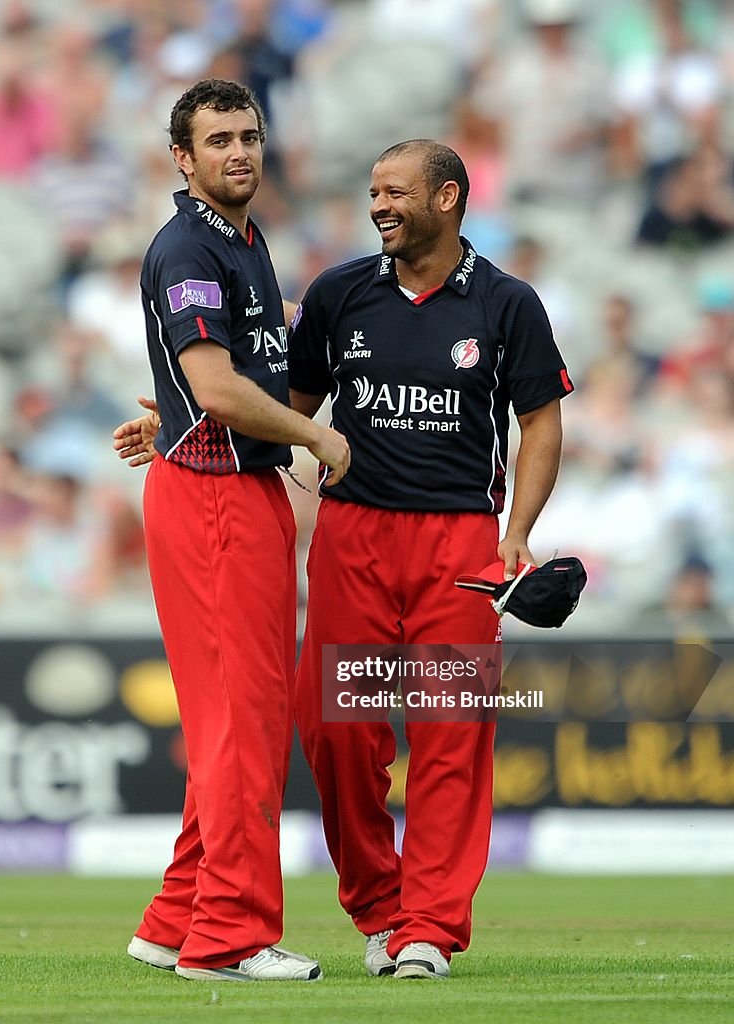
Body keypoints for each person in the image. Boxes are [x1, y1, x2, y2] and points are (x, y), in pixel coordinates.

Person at [117, 137, 572, 979]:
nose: (378, 206)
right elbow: (279, 404)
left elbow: (541, 422)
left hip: (460, 544)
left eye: (396, 192)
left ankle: (429, 926)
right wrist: (182, 417)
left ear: (448, 199)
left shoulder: (508, 304)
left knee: (451, 734)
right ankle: (379, 907)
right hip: (353, 535)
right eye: (372, 192)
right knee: (333, 732)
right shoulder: (339, 293)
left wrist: (517, 531)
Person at [115, 78, 349, 984]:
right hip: (214, 498)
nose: (239, 152)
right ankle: (231, 938)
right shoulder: (188, 248)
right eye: (218, 140)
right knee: (242, 725)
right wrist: (317, 435)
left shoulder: (242, 240)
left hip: (228, 485)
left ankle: (178, 917)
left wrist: (173, 415)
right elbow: (216, 387)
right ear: (184, 157)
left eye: (249, 135)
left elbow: (223, 378)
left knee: (232, 718)